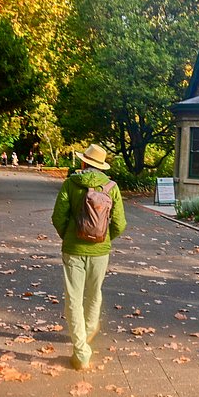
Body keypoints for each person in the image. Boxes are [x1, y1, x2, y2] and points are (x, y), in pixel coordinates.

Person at [51, 143, 126, 370]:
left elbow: (58, 216)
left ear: (84, 162)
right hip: (100, 251)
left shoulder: (70, 184)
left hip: (73, 249)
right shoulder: (111, 187)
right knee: (94, 294)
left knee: (73, 298)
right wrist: (104, 239)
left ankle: (81, 351)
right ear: (101, 166)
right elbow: (120, 223)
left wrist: (69, 235)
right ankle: (89, 330)